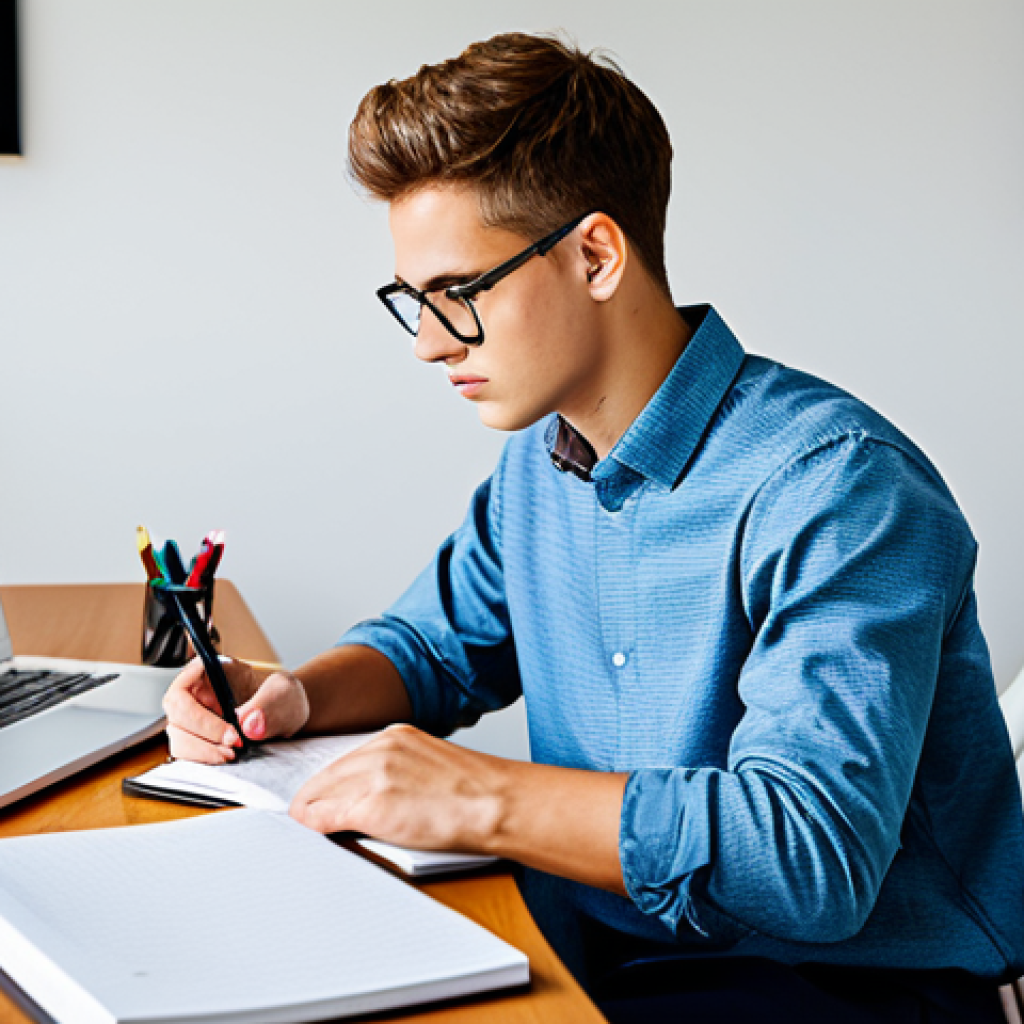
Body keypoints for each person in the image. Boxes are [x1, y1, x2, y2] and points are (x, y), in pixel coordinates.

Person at [163, 32, 1024, 1023]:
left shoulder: (841, 490)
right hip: (600, 941)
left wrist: (484, 796)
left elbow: (807, 856)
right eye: (413, 302)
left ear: (595, 255)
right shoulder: (539, 464)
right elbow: (434, 650)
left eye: (459, 296)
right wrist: (292, 698)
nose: (432, 344)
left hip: (839, 987)